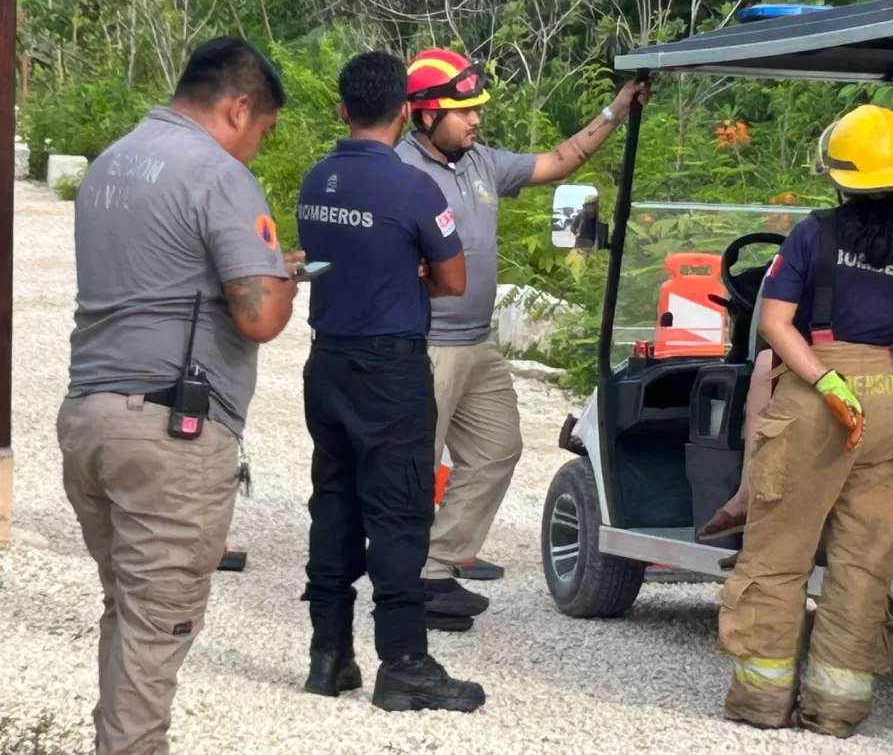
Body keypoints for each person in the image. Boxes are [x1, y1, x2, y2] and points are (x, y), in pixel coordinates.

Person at [58, 37, 300, 755]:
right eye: (263, 132)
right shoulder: (218, 174)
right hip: (170, 433)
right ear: (238, 108)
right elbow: (260, 315)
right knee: (158, 625)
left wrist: (256, 266)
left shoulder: (112, 161)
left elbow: (160, 275)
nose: (257, 147)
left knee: (130, 616)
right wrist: (278, 277)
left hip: (90, 417)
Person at [716, 105, 893, 738]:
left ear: (841, 179)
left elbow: (773, 323)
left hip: (819, 395)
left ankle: (763, 702)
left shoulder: (812, 237)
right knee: (863, 563)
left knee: (780, 550)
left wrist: (825, 381)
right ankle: (836, 709)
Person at [395, 47, 650, 628]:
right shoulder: (400, 170)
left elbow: (561, 161)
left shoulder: (483, 162)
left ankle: (433, 568)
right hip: (425, 343)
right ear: (428, 113)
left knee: (498, 449)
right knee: (412, 464)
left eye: (477, 109)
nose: (476, 119)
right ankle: (404, 582)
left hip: (478, 345)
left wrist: (616, 110)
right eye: (464, 110)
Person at [296, 51, 485, 712]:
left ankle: (329, 653)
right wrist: (413, 275)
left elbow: (319, 262)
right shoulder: (413, 189)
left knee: (336, 498)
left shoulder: (316, 180)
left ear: (343, 111)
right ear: (405, 110)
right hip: (390, 367)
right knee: (400, 510)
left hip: (329, 361)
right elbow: (454, 283)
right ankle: (403, 661)